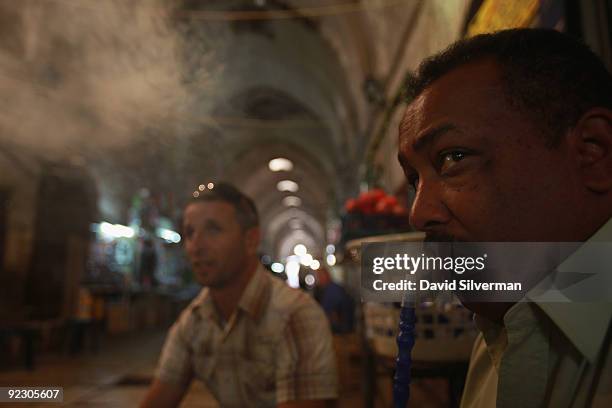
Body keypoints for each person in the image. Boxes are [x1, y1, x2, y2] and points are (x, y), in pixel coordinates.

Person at [397, 28, 612, 407]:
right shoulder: (501, 334)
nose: (419, 214)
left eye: (453, 158)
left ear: (593, 154)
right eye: (414, 179)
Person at [140, 183, 337, 407]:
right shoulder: (195, 321)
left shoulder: (295, 315)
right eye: (190, 233)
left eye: (213, 230)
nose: (196, 246)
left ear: (251, 240)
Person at [314, 267, 355, 334]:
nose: (318, 280)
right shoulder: (331, 288)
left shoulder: (333, 290)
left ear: (327, 276)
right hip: (343, 327)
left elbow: (329, 312)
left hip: (341, 330)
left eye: (319, 276)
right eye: (318, 277)